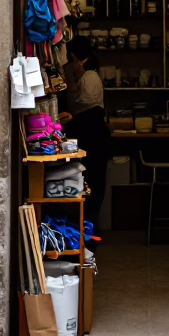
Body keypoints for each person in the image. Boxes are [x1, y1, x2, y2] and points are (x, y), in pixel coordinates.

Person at [62, 35, 110, 227]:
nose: (71, 67)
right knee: (94, 189)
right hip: (96, 139)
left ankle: (87, 235)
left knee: (92, 189)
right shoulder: (90, 77)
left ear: (79, 60)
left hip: (93, 141)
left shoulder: (89, 78)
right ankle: (87, 233)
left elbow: (84, 106)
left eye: (72, 62)